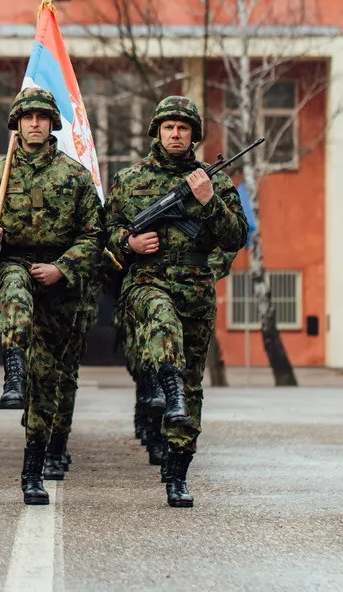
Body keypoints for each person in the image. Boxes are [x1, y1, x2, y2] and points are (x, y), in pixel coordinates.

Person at [105, 96, 248, 507]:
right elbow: (104, 231)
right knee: (161, 320)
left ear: (193, 135)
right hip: (147, 281)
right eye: (168, 127)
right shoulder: (131, 180)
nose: (175, 134)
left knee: (192, 385)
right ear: (157, 131)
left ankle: (177, 472)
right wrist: (128, 242)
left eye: (183, 128)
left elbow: (236, 237)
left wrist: (209, 201)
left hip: (197, 287)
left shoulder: (214, 181)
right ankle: (169, 390)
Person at [0, 87, 105, 506]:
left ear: (52, 124)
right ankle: (12, 367)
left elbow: (94, 235)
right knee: (12, 285)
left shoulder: (74, 175)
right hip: (13, 263)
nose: (34, 124)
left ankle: (33, 470)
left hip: (60, 282)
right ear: (17, 124)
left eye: (42, 117)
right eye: (27, 118)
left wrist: (63, 267)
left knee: (48, 384)